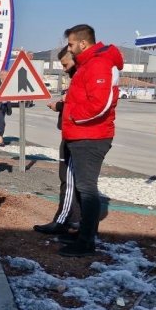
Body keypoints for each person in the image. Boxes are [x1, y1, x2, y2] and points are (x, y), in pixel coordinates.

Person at [59, 24, 123, 257]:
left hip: (91, 136)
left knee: (87, 189)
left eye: (71, 44)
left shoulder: (98, 64)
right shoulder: (88, 63)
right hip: (82, 135)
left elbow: (101, 104)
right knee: (82, 187)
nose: (70, 48)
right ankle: (82, 234)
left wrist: (74, 116)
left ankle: (86, 242)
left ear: (83, 43)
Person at [34, 45, 80, 236]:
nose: (63, 69)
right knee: (72, 181)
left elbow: (77, 105)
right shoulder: (79, 78)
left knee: (69, 181)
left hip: (76, 137)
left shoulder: (81, 77)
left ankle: (63, 221)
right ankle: (76, 221)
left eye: (65, 64)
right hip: (72, 133)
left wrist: (60, 105)